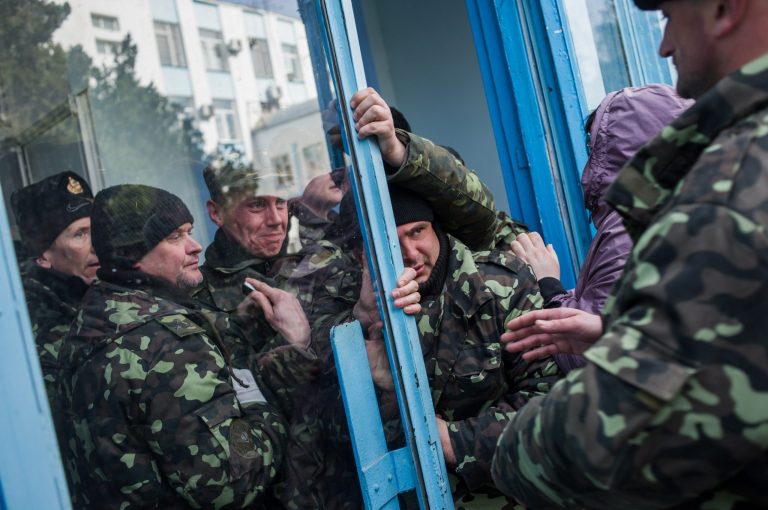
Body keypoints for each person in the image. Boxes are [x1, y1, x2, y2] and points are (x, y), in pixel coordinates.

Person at [493, 0, 768, 507]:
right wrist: (610, 333)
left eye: (668, 16)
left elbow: (624, 434)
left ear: (725, 10)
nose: (663, 45)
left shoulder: (730, 184)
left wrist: (505, 450)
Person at [336, 88, 562, 507]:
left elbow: (553, 402)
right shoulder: (356, 301)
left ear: (438, 226)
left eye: (417, 232)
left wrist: (457, 441)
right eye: (390, 241)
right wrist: (371, 350)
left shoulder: (500, 287)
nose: (408, 253)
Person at [59, 184, 316, 509]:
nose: (195, 247)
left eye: (190, 232)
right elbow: (230, 485)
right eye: (175, 237)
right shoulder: (169, 341)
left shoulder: (92, 322)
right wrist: (290, 359)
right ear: (133, 254)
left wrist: (234, 327)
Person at [508, 84, 693, 371]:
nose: (591, 163)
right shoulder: (685, 211)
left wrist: (548, 286)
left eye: (594, 150)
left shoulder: (630, 229)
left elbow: (587, 358)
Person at [10, 171, 99, 473]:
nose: (96, 244)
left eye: (97, 228)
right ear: (42, 258)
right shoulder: (29, 327)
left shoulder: (111, 290)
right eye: (79, 234)